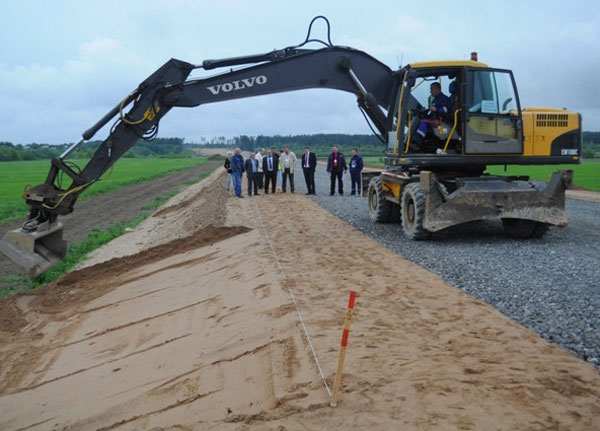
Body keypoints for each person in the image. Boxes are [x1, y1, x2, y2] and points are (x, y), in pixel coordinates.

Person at [415, 82, 452, 149]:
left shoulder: (444, 99)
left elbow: (447, 109)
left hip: (442, 124)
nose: (430, 91)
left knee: (424, 123)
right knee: (421, 120)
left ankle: (419, 143)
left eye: (431, 89)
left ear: (437, 89)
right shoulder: (436, 99)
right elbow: (432, 111)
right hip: (435, 120)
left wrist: (436, 109)